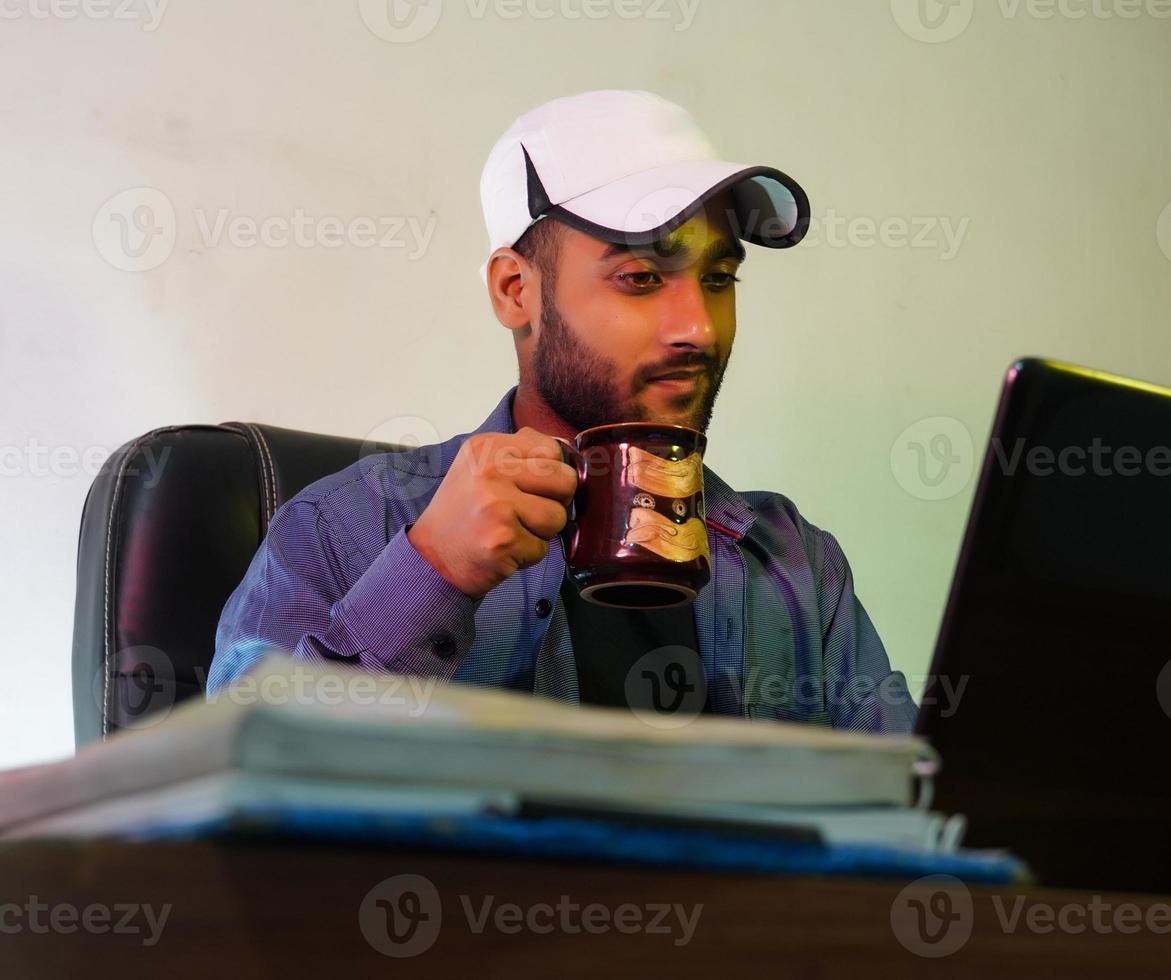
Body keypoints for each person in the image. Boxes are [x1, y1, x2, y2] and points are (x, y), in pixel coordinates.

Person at [208, 89, 916, 732]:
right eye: (641, 277)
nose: (698, 326)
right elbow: (226, 801)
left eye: (719, 277)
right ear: (516, 290)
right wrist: (432, 573)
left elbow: (924, 825)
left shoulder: (794, 564)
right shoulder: (345, 527)